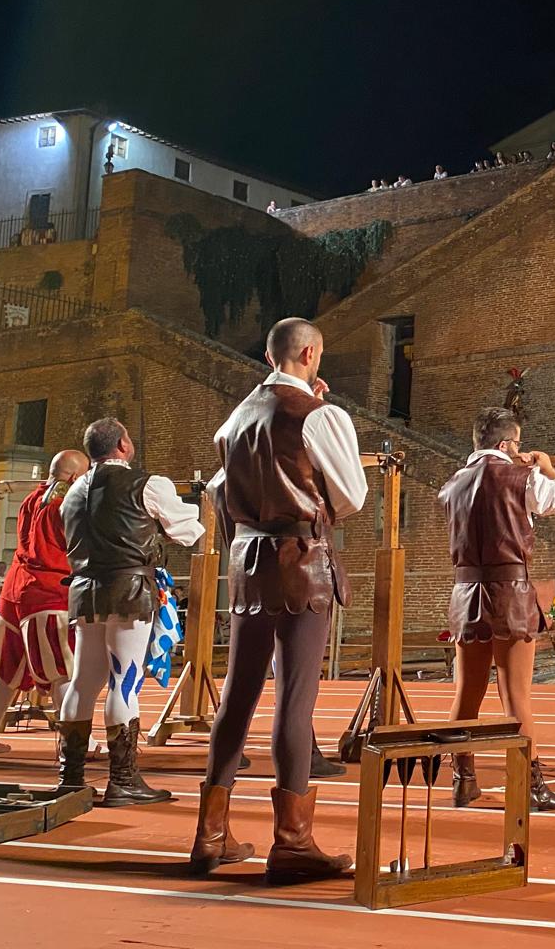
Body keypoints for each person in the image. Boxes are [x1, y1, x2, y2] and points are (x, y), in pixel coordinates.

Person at [189, 317, 368, 880]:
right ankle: (292, 842)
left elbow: (220, 491)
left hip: (248, 561)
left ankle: (209, 836)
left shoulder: (235, 420)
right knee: (295, 699)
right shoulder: (320, 415)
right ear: (310, 354)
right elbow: (354, 496)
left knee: (238, 695)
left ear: (271, 358)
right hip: (301, 561)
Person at [58, 419, 202, 805]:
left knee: (82, 682)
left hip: (84, 590)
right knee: (124, 680)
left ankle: (70, 778)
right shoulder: (147, 484)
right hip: (128, 590)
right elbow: (189, 531)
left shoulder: (72, 491)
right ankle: (122, 780)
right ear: (123, 444)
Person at [441, 407, 555, 812]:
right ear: (506, 444)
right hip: (510, 590)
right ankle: (530, 786)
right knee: (515, 692)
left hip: (466, 590)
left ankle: (463, 781)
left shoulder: (452, 484)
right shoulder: (522, 477)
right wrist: (546, 466)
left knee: (467, 691)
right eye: (517, 443)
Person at [0, 449, 89, 758]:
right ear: (75, 477)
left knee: (7, 673)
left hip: (14, 591)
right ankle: (72, 746)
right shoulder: (66, 505)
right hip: (48, 591)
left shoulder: (31, 499)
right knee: (62, 671)